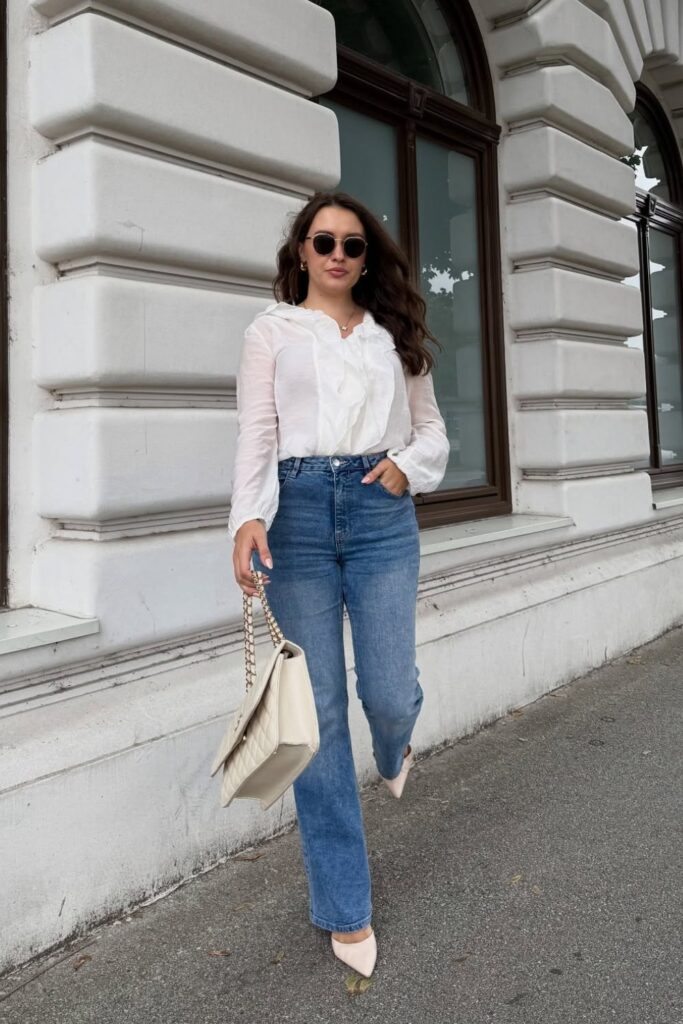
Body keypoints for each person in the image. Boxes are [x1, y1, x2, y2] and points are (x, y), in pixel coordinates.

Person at [229, 191, 450, 977]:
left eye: (352, 245)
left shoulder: (395, 336)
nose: (336, 255)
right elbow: (257, 433)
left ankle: (395, 748)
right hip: (295, 517)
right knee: (315, 715)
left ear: (366, 258)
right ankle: (344, 905)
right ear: (300, 251)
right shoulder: (272, 332)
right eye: (322, 241)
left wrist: (405, 470)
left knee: (388, 690)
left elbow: (432, 432)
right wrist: (245, 519)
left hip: (380, 510)